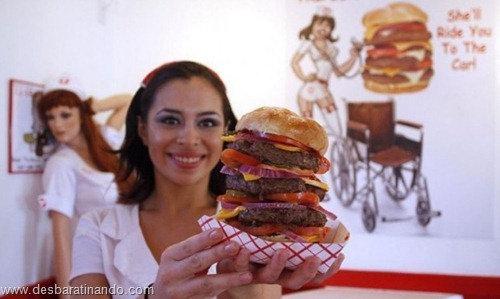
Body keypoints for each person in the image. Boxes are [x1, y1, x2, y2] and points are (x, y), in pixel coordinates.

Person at [69, 61, 345, 298]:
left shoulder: (258, 232)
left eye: (207, 122)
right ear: (143, 129)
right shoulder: (97, 229)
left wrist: (246, 288)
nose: (189, 139)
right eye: (170, 120)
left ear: (227, 130)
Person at [36, 75, 132, 299]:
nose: (57, 124)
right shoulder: (61, 164)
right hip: (94, 266)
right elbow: (61, 234)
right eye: (50, 117)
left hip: (126, 260)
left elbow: (127, 101)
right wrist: (66, 294)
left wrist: (91, 106)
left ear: (82, 113)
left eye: (65, 114)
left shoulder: (106, 141)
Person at [291, 6, 361, 137]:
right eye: (319, 24)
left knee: (336, 126)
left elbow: (339, 72)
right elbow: (295, 62)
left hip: (323, 88)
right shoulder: (308, 44)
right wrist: (304, 77)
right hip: (310, 89)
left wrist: (353, 56)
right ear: (312, 25)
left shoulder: (331, 48)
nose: (323, 28)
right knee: (307, 130)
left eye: (327, 25)